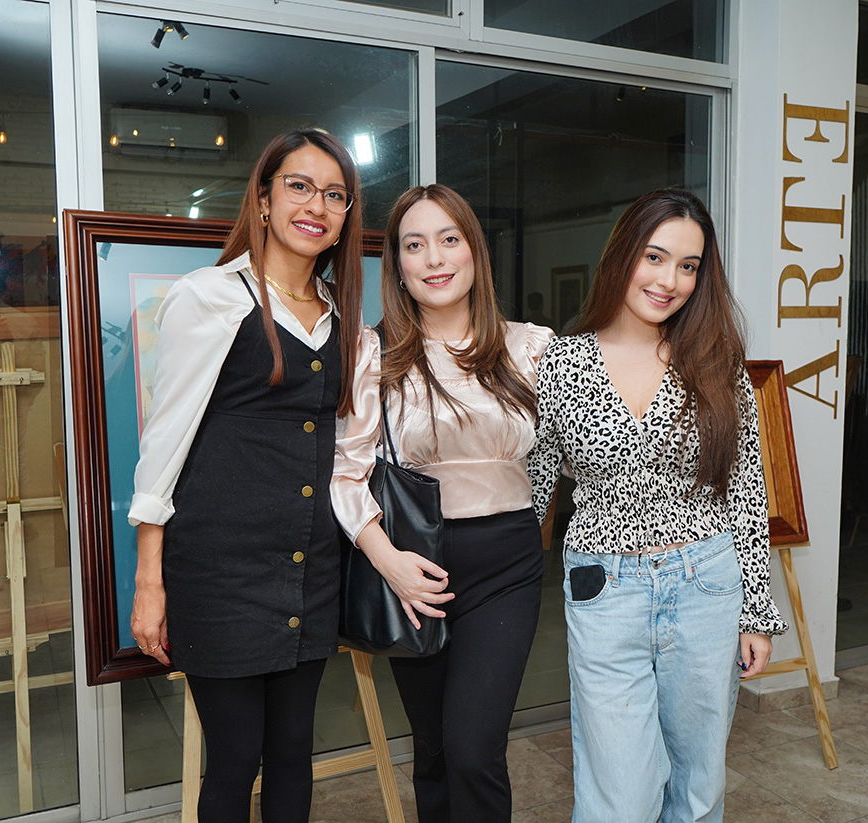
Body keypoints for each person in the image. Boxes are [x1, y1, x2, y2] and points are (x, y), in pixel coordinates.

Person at [527, 187, 787, 823]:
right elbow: (533, 489)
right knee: (618, 795)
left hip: (706, 584)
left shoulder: (715, 363)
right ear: (622, 255)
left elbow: (745, 491)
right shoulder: (560, 363)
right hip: (605, 590)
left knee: (698, 786)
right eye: (655, 257)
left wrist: (756, 612)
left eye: (689, 266)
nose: (669, 281)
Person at [128, 128, 363, 823]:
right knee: (235, 758)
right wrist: (149, 581)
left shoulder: (341, 315)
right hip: (220, 569)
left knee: (293, 750)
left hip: (310, 564)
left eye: (335, 194)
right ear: (262, 199)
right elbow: (164, 441)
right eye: (299, 186)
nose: (316, 205)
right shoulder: (209, 296)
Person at [332, 184, 553, 823]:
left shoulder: (532, 347)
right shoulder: (371, 353)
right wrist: (389, 562)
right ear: (397, 264)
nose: (434, 258)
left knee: (474, 750)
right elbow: (344, 473)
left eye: (449, 239)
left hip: (507, 563)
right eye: (414, 244)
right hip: (412, 564)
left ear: (474, 252)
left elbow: (564, 454)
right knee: (431, 749)